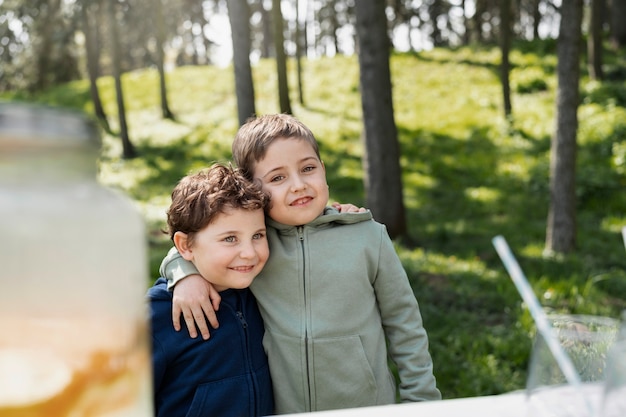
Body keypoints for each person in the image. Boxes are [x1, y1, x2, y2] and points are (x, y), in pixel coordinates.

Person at [160, 114, 441, 414]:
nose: (298, 185)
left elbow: (405, 326)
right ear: (253, 189)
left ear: (323, 170)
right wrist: (185, 274)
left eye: (308, 168)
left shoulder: (368, 237)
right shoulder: (256, 244)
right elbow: (196, 246)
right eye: (277, 177)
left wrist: (422, 403)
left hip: (365, 407)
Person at [148, 163, 274, 417]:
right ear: (185, 246)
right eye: (230, 239)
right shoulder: (156, 316)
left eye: (258, 235)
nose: (249, 253)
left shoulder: (263, 292)